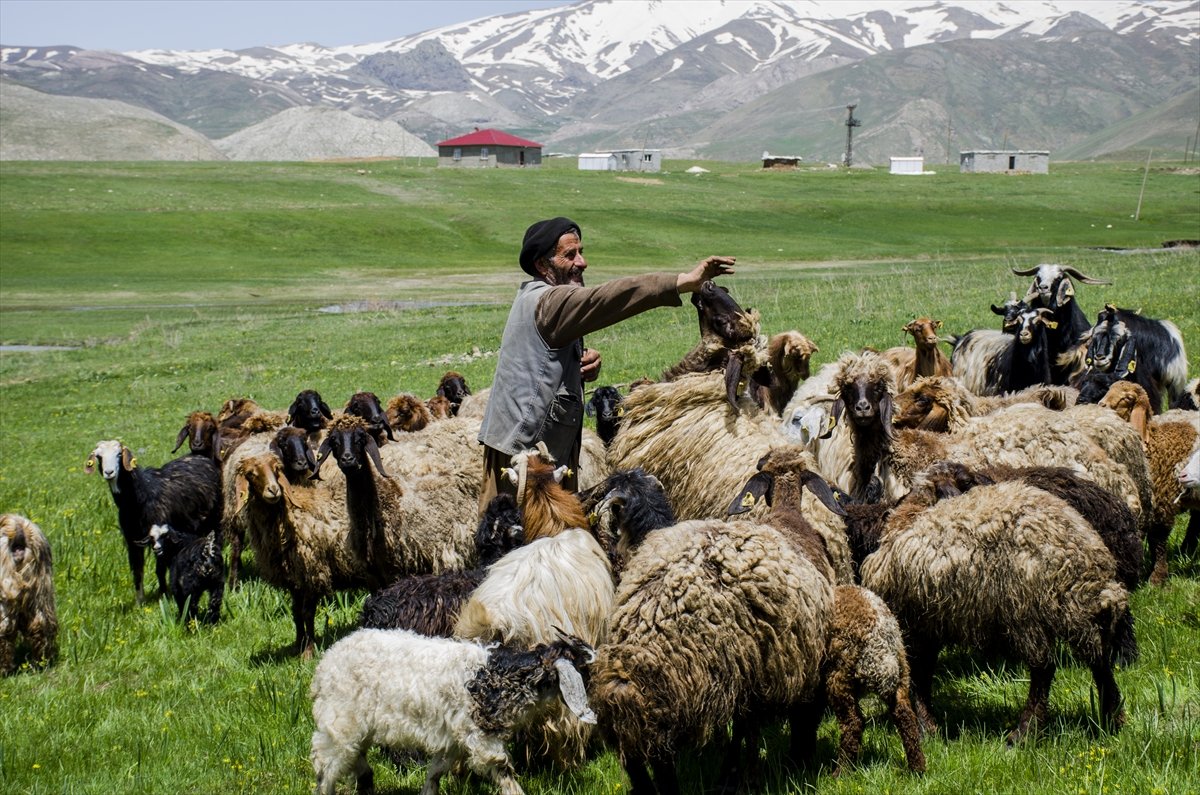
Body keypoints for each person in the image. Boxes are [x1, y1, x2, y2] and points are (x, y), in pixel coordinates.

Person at [478, 216, 736, 507]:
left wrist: (574, 366)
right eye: (570, 255)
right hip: (524, 459)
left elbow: (537, 361)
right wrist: (683, 282)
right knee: (518, 543)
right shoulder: (550, 302)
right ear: (542, 265)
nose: (582, 262)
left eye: (581, 252)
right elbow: (607, 298)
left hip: (530, 449)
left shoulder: (533, 297)